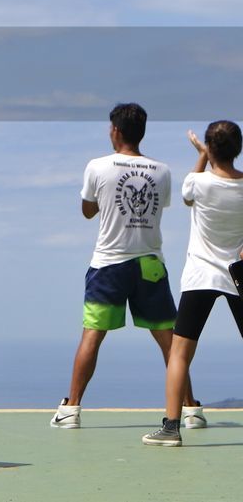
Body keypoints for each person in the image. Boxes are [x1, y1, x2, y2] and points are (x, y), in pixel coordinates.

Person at [51, 103, 200, 429]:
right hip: (150, 264)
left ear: (115, 131)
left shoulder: (97, 166)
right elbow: (157, 208)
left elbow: (88, 210)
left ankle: (71, 410)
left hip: (109, 265)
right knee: (170, 340)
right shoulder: (161, 170)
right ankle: (190, 409)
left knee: (92, 335)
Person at [142, 122, 243, 446]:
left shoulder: (198, 183)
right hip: (238, 275)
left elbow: (187, 195)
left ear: (210, 148)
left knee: (180, 353)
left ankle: (171, 428)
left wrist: (201, 156)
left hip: (200, 276)